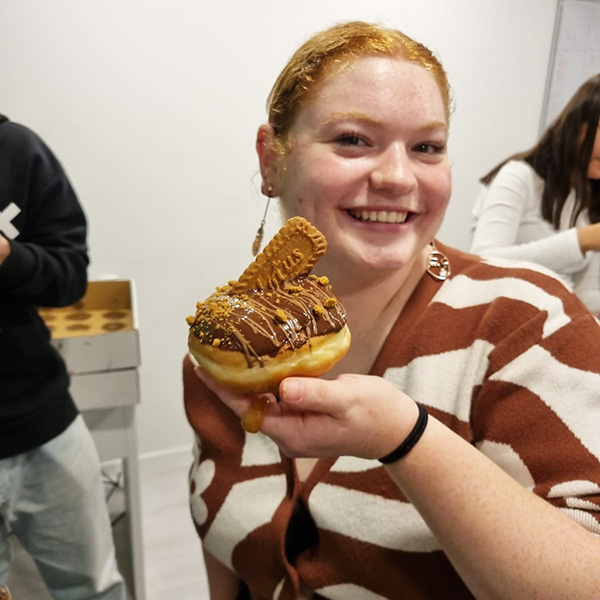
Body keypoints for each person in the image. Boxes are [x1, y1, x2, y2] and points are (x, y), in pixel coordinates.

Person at [183, 22, 600, 600]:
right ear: (271, 159)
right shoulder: (231, 347)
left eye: (427, 147)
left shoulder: (528, 322)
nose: (398, 177)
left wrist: (406, 440)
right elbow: (225, 550)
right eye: (354, 139)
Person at [0, 115, 126, 599]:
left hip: (42, 421)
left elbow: (70, 273)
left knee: (94, 588)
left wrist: (8, 258)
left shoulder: (17, 150)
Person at [470, 74, 600, 316]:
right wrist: (582, 239)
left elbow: (586, 297)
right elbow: (482, 263)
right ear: (579, 123)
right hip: (496, 327)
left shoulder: (586, 196)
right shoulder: (519, 176)